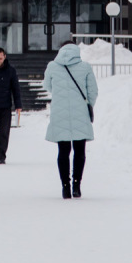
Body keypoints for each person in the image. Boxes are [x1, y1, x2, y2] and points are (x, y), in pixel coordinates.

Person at [42, 42, 97, 199]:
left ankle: (65, 187)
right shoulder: (85, 67)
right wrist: (87, 104)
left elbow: (47, 85)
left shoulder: (52, 66)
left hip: (60, 113)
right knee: (80, 151)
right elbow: (93, 90)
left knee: (63, 151)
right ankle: (77, 185)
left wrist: (60, 95)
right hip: (80, 112)